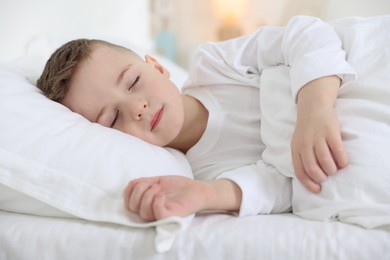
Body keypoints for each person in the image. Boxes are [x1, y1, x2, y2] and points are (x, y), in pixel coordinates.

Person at [37, 16, 356, 221]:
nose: (137, 108)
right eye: (111, 119)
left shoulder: (215, 65)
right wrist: (206, 195)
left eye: (133, 82)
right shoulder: (198, 171)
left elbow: (305, 33)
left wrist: (314, 108)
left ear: (157, 67)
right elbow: (280, 187)